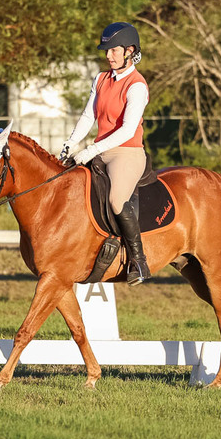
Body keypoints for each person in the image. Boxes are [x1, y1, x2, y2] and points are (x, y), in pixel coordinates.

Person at [59, 22, 151, 285]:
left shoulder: (137, 86)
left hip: (126, 152)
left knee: (116, 200)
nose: (108, 56)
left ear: (130, 51)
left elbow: (127, 130)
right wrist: (70, 144)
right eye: (106, 51)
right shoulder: (100, 79)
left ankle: (139, 262)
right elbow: (88, 116)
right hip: (100, 150)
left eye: (114, 50)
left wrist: (91, 150)